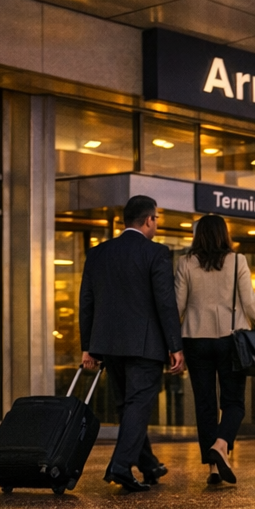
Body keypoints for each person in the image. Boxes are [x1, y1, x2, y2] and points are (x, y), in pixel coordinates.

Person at [78, 195, 185, 492]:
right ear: (149, 219)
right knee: (138, 405)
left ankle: (148, 464)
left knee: (128, 406)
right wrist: (175, 346)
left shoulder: (98, 253)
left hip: (109, 346)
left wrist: (88, 346)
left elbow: (86, 301)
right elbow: (166, 303)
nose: (156, 224)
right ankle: (121, 465)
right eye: (157, 219)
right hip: (145, 346)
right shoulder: (156, 253)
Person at [174, 214, 255, 485]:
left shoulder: (185, 263)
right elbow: (250, 301)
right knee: (234, 402)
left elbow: (177, 307)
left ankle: (213, 468)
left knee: (205, 404)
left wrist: (172, 343)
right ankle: (221, 443)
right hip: (231, 341)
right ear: (224, 234)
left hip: (194, 340)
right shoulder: (237, 261)